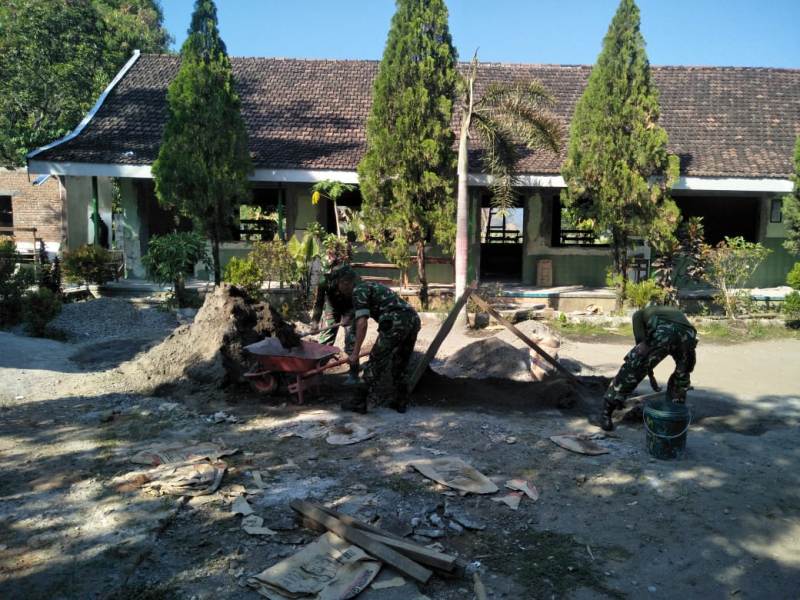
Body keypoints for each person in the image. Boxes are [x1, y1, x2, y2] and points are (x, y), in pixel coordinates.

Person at [600, 303, 698, 431]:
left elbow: (642, 347)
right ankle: (673, 415)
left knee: (634, 367)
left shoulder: (639, 315)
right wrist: (652, 377)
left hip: (666, 332)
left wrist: (642, 361)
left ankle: (606, 412)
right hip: (688, 334)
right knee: (682, 373)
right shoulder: (667, 311)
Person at [336, 271, 420, 413]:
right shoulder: (368, 286)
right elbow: (366, 309)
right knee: (400, 361)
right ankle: (400, 401)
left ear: (346, 283)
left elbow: (362, 324)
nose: (339, 290)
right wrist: (350, 317)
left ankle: (358, 402)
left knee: (376, 361)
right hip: (412, 320)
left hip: (395, 321)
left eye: (339, 285)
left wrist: (355, 353)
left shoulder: (357, 291)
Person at [310, 264, 359, 383]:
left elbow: (360, 302)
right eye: (343, 282)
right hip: (332, 307)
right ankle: (316, 371)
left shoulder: (355, 281)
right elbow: (319, 302)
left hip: (350, 308)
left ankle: (354, 374)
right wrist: (315, 321)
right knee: (325, 341)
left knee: (351, 341)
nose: (345, 284)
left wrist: (350, 315)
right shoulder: (324, 281)